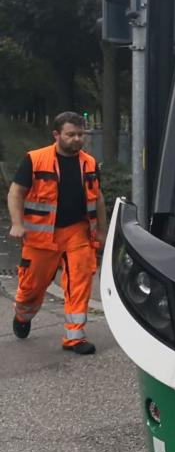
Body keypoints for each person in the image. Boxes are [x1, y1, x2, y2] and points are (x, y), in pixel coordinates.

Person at [7, 112, 106, 355]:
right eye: (71, 135)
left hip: (78, 232)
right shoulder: (35, 159)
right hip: (41, 237)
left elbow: (99, 198)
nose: (77, 139)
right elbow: (15, 192)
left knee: (81, 279)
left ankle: (74, 336)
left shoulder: (89, 163)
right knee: (31, 287)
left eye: (80, 134)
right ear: (56, 135)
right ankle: (22, 316)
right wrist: (17, 223)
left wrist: (102, 231)